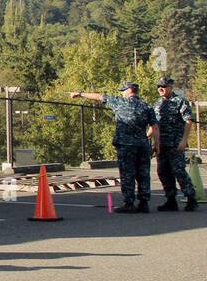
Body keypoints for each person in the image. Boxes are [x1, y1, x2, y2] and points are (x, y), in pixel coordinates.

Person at [71, 83, 158, 213]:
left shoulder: (120, 102)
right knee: (143, 174)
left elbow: (99, 97)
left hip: (126, 145)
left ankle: (129, 203)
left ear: (129, 91)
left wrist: (80, 94)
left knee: (127, 174)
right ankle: (144, 203)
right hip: (142, 145)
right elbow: (155, 128)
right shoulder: (146, 106)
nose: (122, 93)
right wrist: (154, 143)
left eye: (123, 90)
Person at [153, 77, 198, 212]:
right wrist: (154, 142)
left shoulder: (180, 101)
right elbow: (155, 125)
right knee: (163, 172)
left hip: (175, 143)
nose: (161, 89)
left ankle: (191, 198)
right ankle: (171, 200)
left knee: (178, 171)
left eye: (164, 86)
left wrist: (184, 140)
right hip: (162, 144)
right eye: (159, 87)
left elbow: (188, 121)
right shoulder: (158, 103)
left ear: (171, 87)